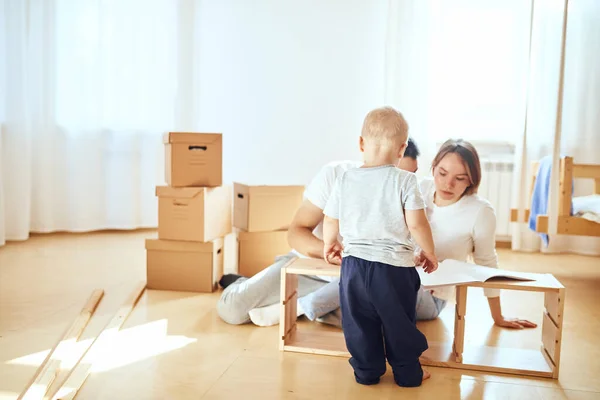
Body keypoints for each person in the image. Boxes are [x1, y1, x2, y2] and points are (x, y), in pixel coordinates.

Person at [217, 133, 536, 331]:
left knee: (373, 310)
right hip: (332, 271)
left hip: (403, 286)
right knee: (234, 310)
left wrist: (498, 316)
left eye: (460, 178)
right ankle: (258, 290)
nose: (448, 183)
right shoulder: (349, 177)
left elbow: (486, 262)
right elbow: (303, 230)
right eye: (442, 173)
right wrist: (331, 252)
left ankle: (300, 306)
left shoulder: (459, 204)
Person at [322, 107, 436, 387]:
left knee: (358, 323)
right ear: (402, 149)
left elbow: (330, 218)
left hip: (353, 268)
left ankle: (366, 372)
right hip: (394, 270)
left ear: (361, 143)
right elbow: (418, 225)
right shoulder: (406, 180)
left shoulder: (345, 179)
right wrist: (429, 252)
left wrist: (330, 243)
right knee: (399, 324)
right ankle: (408, 374)